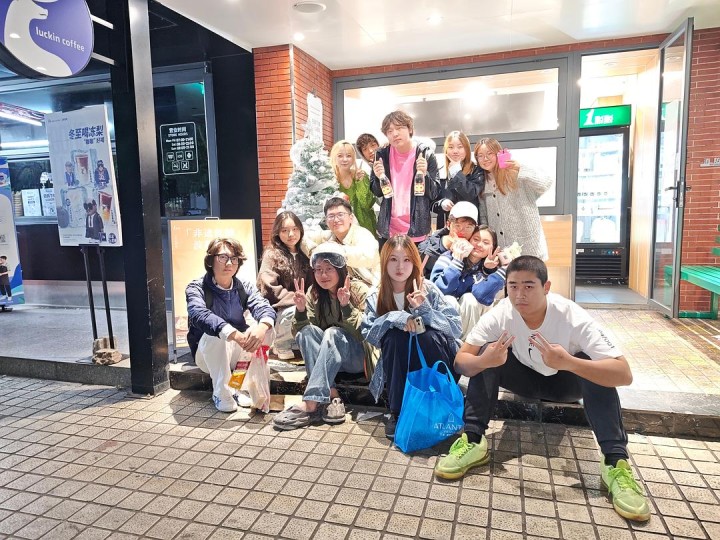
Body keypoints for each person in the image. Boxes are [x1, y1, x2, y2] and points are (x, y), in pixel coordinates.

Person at [435, 256, 650, 522]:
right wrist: (485, 361)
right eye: (513, 286)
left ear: (546, 287)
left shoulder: (571, 316)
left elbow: (624, 374)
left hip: (566, 383)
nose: (519, 294)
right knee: (488, 353)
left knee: (595, 364)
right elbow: (461, 362)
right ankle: (473, 440)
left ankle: (615, 462)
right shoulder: (502, 312)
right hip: (524, 380)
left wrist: (569, 362)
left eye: (529, 286)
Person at [362, 235, 461, 439]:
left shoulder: (428, 289)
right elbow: (370, 335)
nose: (400, 266)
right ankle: (397, 412)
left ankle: (441, 403)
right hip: (400, 364)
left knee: (427, 335)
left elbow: (455, 328)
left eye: (407, 259)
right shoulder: (376, 296)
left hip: (434, 358)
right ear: (384, 261)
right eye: (393, 259)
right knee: (394, 337)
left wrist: (425, 311)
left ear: (415, 262)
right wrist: (395, 317)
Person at [273, 245, 369, 430]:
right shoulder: (314, 293)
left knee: (333, 333)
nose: (323, 275)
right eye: (318, 270)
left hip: (357, 358)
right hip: (329, 359)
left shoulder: (358, 289)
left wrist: (347, 307)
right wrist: (301, 310)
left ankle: (311, 402)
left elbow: (367, 333)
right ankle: (332, 395)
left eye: (328, 269)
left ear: (340, 269)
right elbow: (301, 334)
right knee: (306, 332)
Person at [186, 238, 276, 413]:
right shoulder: (197, 287)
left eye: (234, 258)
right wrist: (234, 334)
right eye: (223, 257)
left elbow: (263, 306)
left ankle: (238, 385)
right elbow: (199, 314)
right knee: (218, 333)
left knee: (264, 329)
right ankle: (222, 392)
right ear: (210, 260)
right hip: (208, 354)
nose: (229, 263)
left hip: (237, 350)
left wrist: (261, 328)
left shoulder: (244, 286)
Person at [369, 111, 440, 249]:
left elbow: (435, 192)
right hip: (388, 230)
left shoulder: (426, 154)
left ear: (410, 129)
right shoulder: (381, 154)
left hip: (417, 229)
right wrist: (377, 177)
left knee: (416, 264)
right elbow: (377, 191)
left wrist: (424, 174)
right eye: (389, 131)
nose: (395, 134)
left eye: (399, 128)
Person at [475, 138, 552, 259]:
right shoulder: (482, 182)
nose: (485, 158)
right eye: (480, 155)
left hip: (529, 247)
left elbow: (546, 183)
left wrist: (520, 168)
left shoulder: (515, 174)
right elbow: (484, 217)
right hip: (503, 252)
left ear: (498, 153)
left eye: (490, 153)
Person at [430, 225, 504, 338]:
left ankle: (465, 344)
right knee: (450, 300)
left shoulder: (492, 268)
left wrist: (487, 271)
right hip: (444, 318)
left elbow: (482, 296)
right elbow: (438, 290)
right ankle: (449, 343)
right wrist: (457, 261)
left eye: (486, 242)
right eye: (476, 239)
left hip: (473, 324)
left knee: (470, 300)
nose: (479, 245)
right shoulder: (449, 257)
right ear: (468, 240)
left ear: (493, 247)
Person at [257, 211, 312, 360]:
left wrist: (309, 299)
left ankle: (296, 341)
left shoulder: (305, 255)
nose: (291, 234)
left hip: (303, 303)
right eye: (285, 230)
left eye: (295, 229)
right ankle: (280, 342)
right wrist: (295, 299)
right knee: (295, 310)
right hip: (279, 309)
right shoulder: (272, 254)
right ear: (277, 233)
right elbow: (268, 287)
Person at [304, 197, 380, 286]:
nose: (336, 220)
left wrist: (333, 250)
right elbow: (301, 237)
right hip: (343, 287)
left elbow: (367, 256)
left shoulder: (362, 234)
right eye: (331, 216)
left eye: (340, 215)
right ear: (326, 221)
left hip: (370, 286)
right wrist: (314, 250)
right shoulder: (328, 236)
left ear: (351, 218)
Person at [433, 131, 484, 230]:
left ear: (467, 149)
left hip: (469, 227)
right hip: (447, 228)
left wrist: (456, 171)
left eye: (460, 147)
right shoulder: (440, 171)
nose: (455, 151)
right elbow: (433, 201)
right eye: (451, 147)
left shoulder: (476, 170)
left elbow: (470, 193)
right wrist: (442, 204)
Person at [330, 140, 378, 238]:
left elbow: (367, 204)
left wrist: (360, 183)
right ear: (334, 157)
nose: (345, 159)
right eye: (340, 156)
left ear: (353, 158)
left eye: (349, 156)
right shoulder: (329, 180)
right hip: (339, 229)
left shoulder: (361, 175)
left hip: (364, 227)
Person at [418, 200, 478, 277]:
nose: (462, 231)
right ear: (448, 224)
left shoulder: (475, 250)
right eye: (457, 225)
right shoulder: (426, 249)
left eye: (468, 227)